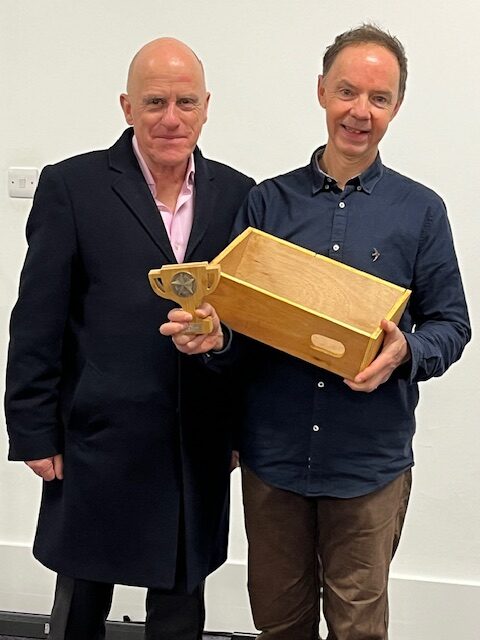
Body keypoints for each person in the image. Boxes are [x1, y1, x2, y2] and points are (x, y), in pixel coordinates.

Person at [161, 24, 471, 640]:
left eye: (378, 99)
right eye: (347, 91)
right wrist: (215, 340)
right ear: (322, 92)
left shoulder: (422, 211)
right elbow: (240, 330)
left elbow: (452, 325)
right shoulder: (267, 206)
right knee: (280, 625)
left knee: (358, 629)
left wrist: (408, 349)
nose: (360, 111)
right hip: (273, 462)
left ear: (396, 107)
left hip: (369, 466)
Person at [4, 37, 254, 640]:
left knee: (178, 612)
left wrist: (238, 428)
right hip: (95, 440)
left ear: (206, 106)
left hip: (193, 443)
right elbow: (37, 319)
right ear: (126, 107)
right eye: (155, 102)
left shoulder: (240, 194)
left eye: (185, 102)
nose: (171, 118)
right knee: (80, 608)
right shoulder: (73, 186)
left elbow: (248, 326)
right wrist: (33, 431)